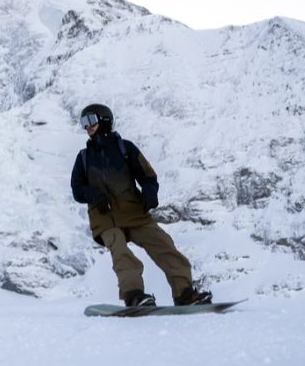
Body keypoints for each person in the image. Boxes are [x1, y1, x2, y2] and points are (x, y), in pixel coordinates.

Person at [70, 104, 212, 307]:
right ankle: (134, 295)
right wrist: (93, 194)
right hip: (105, 219)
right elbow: (77, 189)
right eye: (83, 123)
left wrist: (150, 194)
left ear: (104, 120)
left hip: (135, 214)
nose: (87, 127)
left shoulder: (125, 148)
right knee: (121, 252)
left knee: (163, 245)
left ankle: (185, 293)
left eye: (90, 121)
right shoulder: (83, 158)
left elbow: (148, 177)